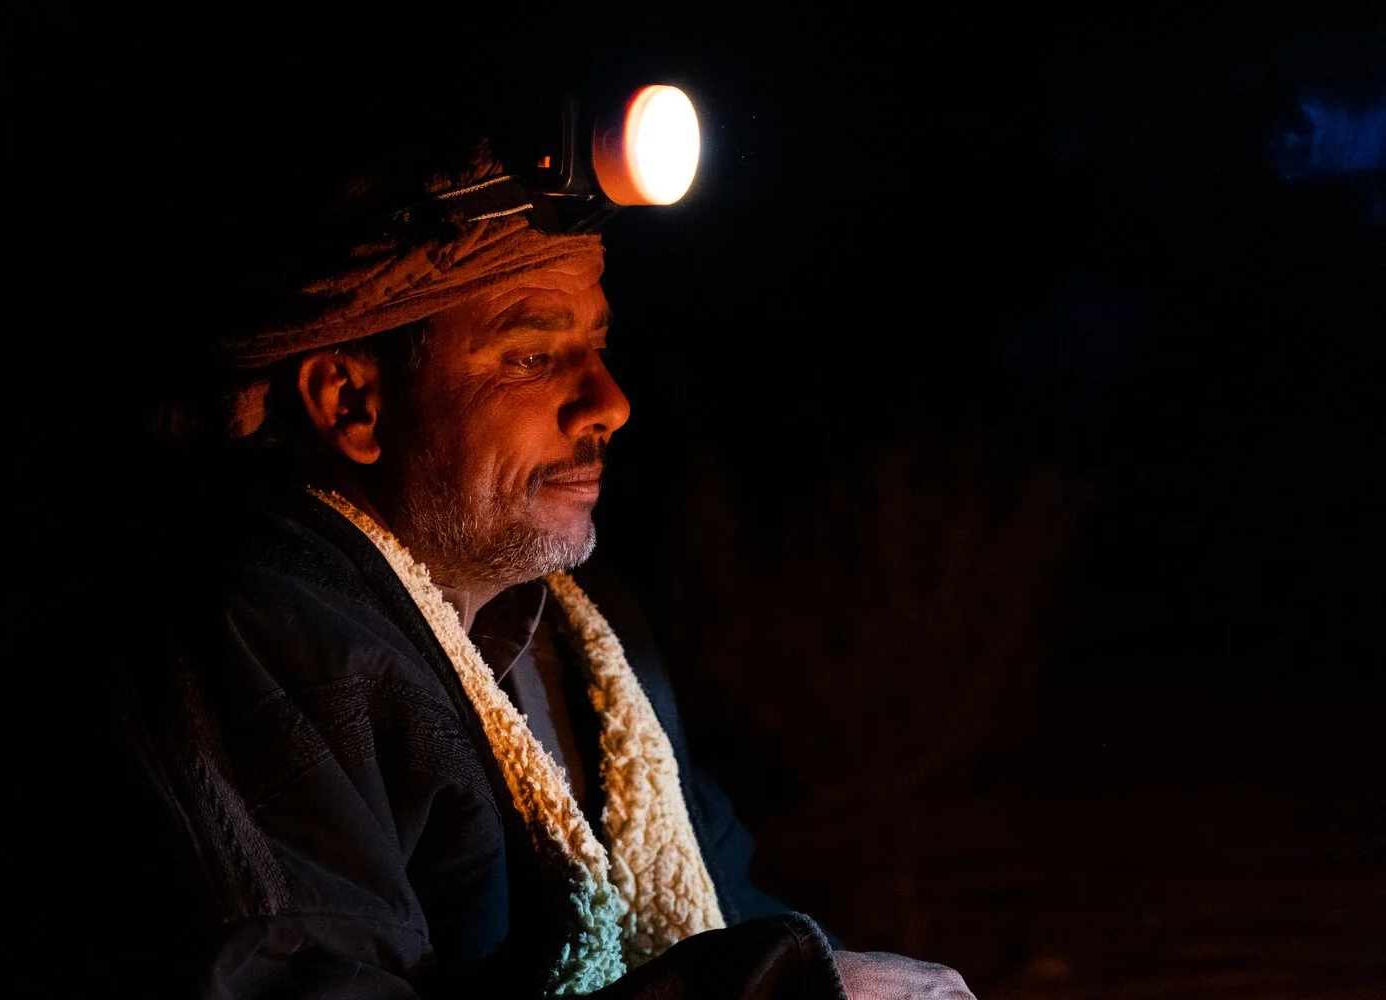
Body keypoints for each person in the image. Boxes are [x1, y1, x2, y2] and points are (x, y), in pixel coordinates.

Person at [98, 98, 978, 1000]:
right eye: (530, 358)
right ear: (350, 403)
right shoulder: (251, 645)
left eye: (598, 345)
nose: (609, 401)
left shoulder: (586, 643)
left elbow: (729, 908)